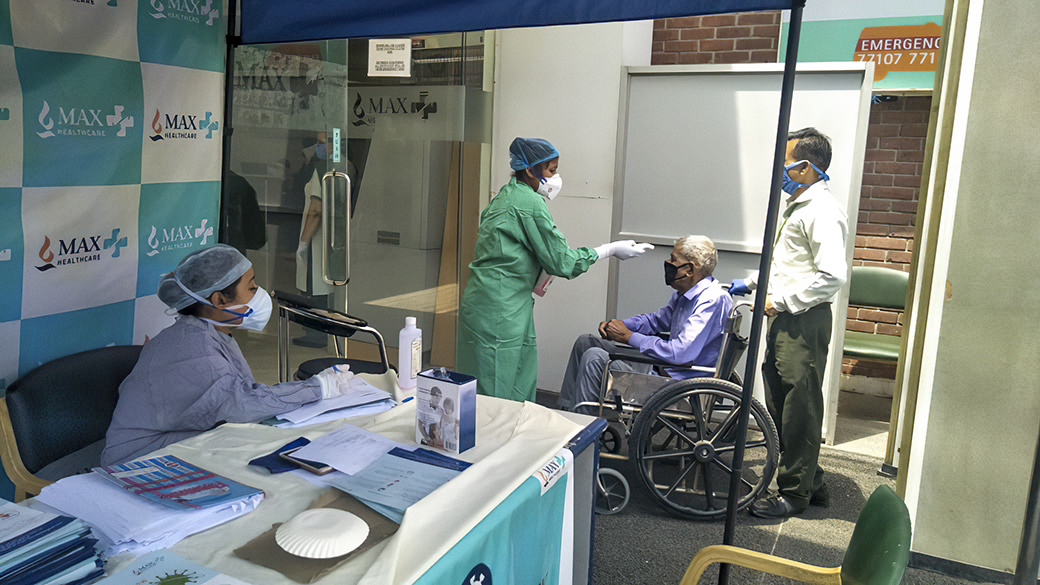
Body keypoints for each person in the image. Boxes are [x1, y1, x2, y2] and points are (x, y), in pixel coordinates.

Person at [102, 245, 355, 465]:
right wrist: (317, 388)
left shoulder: (210, 332)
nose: (260, 294)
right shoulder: (192, 347)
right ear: (219, 299)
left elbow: (241, 396)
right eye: (252, 287)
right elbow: (241, 404)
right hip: (137, 465)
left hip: (178, 445)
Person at [456, 137, 653, 402]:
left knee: (516, 382)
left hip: (504, 303)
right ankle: (496, 440)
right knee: (495, 392)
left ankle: (514, 437)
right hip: (498, 310)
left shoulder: (507, 194)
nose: (556, 177)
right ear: (529, 169)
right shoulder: (528, 204)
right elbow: (563, 262)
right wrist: (609, 249)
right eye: (551, 170)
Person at [730, 127, 848, 519]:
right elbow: (787, 264)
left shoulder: (822, 212)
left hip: (802, 320)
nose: (779, 170)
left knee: (800, 407)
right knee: (783, 401)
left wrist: (779, 301)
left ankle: (794, 494)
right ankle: (811, 482)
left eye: (785, 163)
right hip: (787, 317)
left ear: (804, 168)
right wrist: (749, 284)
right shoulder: (798, 205)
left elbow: (832, 276)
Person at [557, 236, 732, 414]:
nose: (667, 262)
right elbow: (656, 321)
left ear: (690, 269)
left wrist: (629, 337)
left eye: (673, 259)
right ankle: (567, 411)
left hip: (676, 386)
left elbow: (679, 353)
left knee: (595, 357)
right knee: (585, 343)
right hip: (662, 368)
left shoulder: (711, 300)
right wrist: (619, 325)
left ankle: (583, 432)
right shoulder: (685, 294)